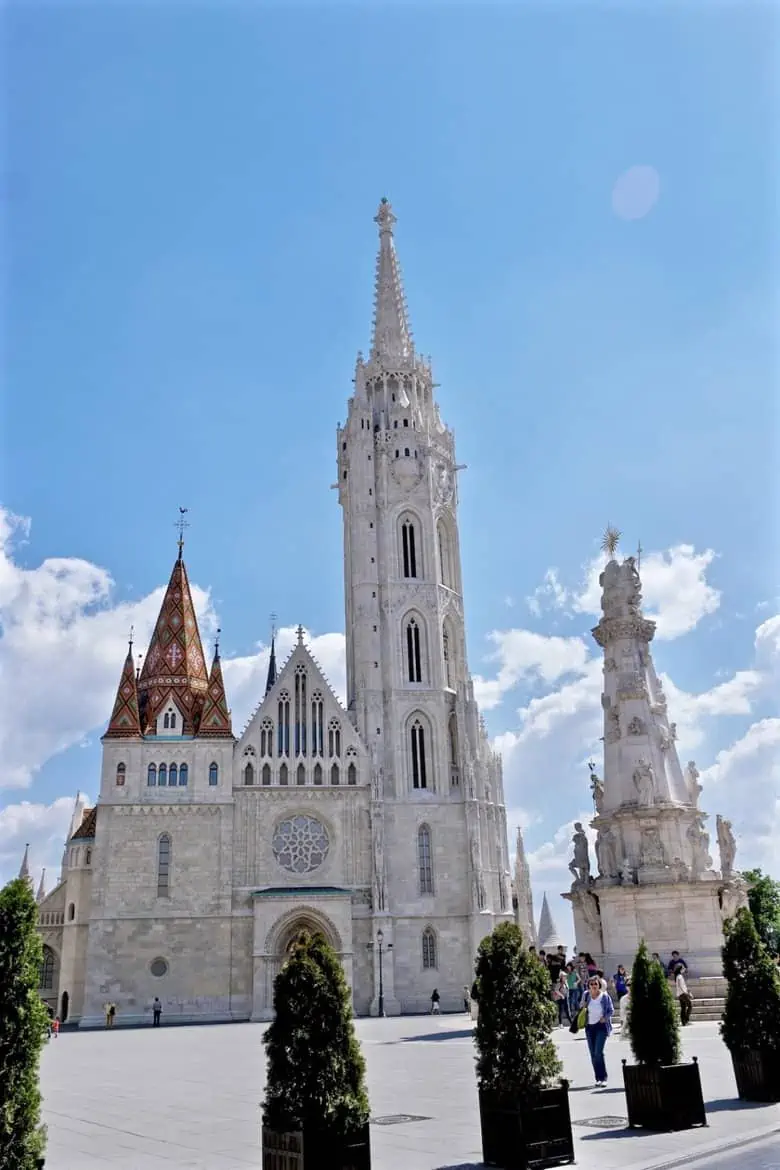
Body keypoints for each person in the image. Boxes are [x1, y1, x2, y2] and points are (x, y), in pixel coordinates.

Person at [583, 975, 614, 1087]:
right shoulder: (586, 995)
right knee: (593, 1055)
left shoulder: (604, 997)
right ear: (588, 986)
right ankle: (598, 1078)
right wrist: (583, 1006)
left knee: (598, 1053)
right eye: (591, 984)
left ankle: (604, 1077)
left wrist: (605, 1018)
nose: (594, 986)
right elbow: (582, 1007)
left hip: (601, 1026)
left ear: (599, 985)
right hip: (589, 1027)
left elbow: (611, 1010)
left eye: (596, 984)